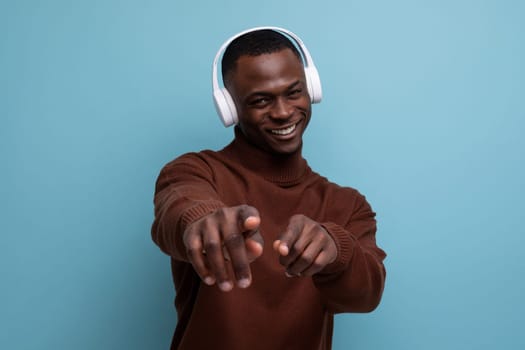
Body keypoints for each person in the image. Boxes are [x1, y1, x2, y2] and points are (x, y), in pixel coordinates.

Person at [151, 27, 386, 350]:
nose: (283, 112)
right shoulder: (194, 171)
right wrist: (203, 221)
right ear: (229, 107)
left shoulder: (346, 205)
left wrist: (336, 250)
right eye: (261, 100)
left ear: (312, 89)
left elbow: (368, 295)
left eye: (293, 92)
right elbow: (178, 206)